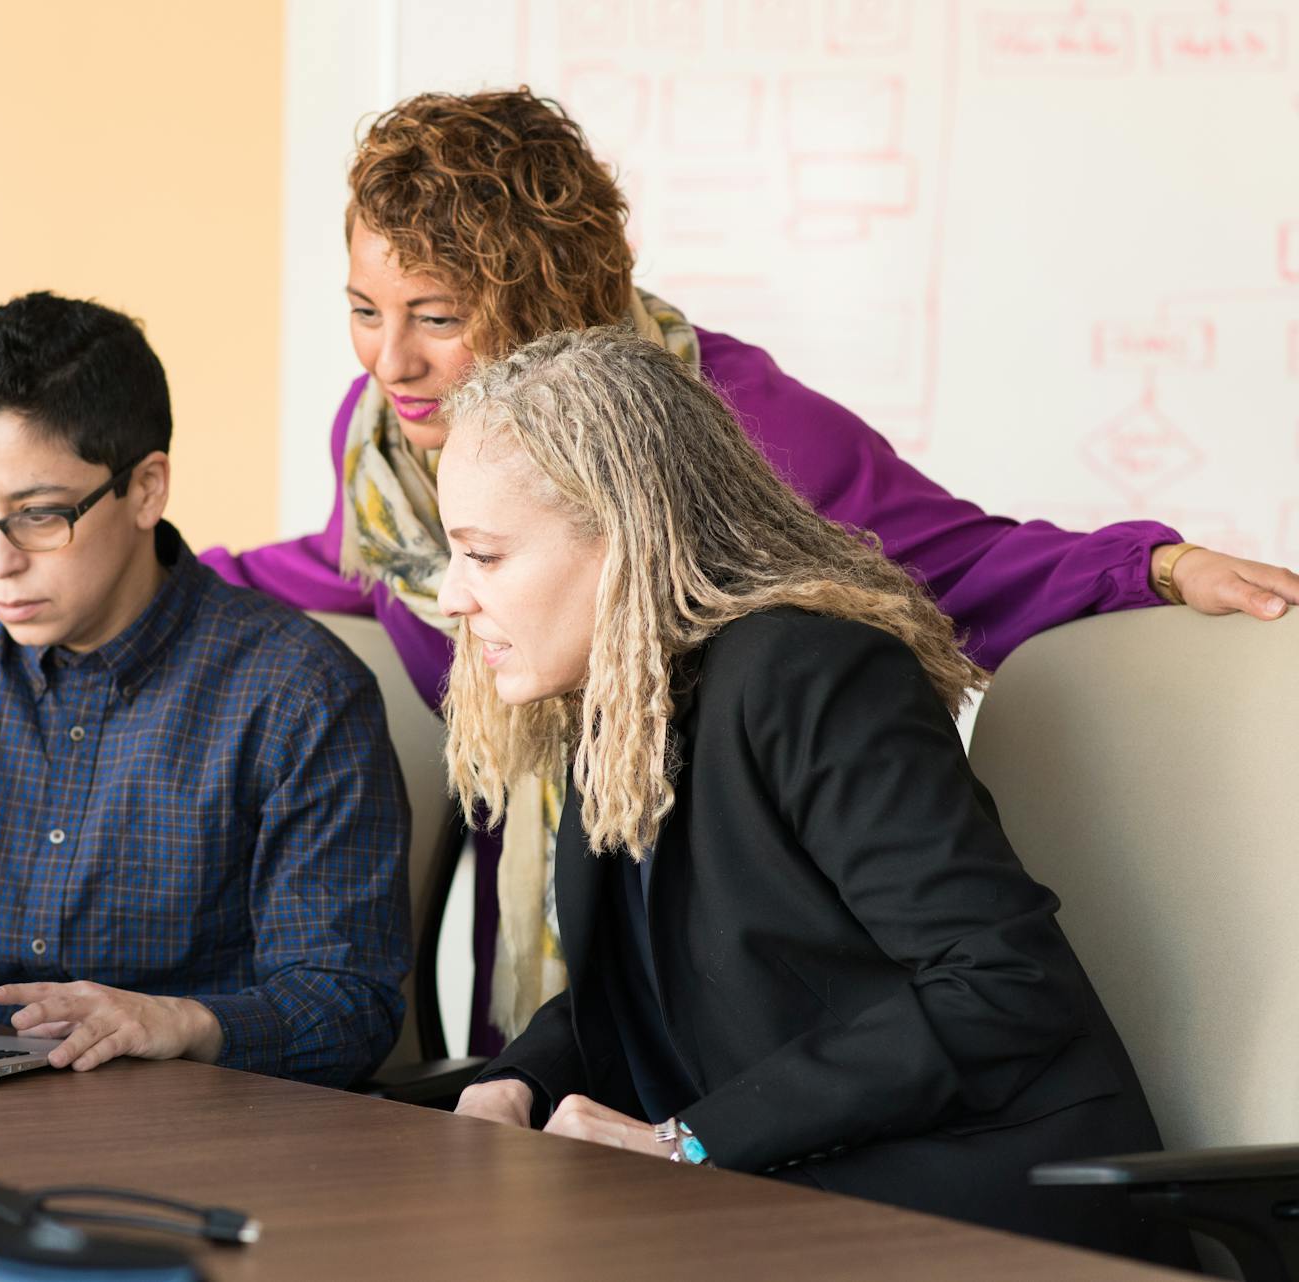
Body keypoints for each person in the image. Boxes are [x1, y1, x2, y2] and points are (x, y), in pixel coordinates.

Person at [199, 87, 1299, 1053]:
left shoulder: (734, 424)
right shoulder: (392, 438)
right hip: (570, 937)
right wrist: (156, 576)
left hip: (739, 956)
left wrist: (1157, 567)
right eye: (363, 310)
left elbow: (955, 561)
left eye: (437, 317)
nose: (391, 360)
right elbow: (356, 567)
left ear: (540, 299)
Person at [442, 326, 1194, 1265]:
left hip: (973, 1195)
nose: (450, 596)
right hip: (788, 1181)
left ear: (624, 537)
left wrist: (688, 1145)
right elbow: (649, 985)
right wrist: (516, 1085)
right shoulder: (619, 697)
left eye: (484, 557)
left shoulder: (810, 670)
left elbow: (1002, 984)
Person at [0, 291, 410, 1087]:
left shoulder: (298, 695)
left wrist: (181, 1021)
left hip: (184, 1143)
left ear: (146, 489)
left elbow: (347, 1006)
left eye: (39, 516)